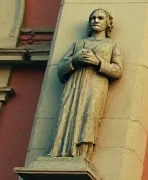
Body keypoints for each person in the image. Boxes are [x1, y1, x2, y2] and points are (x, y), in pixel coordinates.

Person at [49, 9, 123, 161]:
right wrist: (75, 61)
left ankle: (83, 153)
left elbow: (117, 70)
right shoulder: (78, 44)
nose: (96, 20)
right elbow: (61, 70)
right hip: (74, 85)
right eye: (93, 18)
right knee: (67, 114)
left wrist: (98, 62)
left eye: (100, 18)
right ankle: (61, 150)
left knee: (89, 115)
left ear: (108, 23)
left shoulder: (111, 45)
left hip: (95, 85)